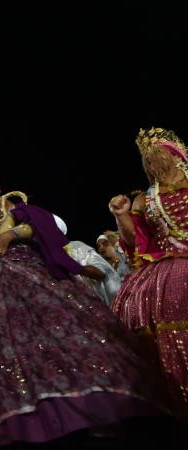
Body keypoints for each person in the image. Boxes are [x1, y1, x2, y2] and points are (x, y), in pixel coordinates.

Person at [0, 151, 158, 445]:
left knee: (43, 331)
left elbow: (30, 224)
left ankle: (69, 412)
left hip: (8, 270)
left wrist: (9, 235)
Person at [109, 127, 188, 420]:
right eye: (147, 161)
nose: (153, 165)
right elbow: (135, 242)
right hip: (159, 277)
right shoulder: (146, 198)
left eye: (158, 157)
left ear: (176, 156)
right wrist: (121, 216)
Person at [53, 215, 123, 307]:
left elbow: (103, 273)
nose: (101, 249)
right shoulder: (34, 256)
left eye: (105, 244)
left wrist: (70, 265)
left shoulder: (75, 247)